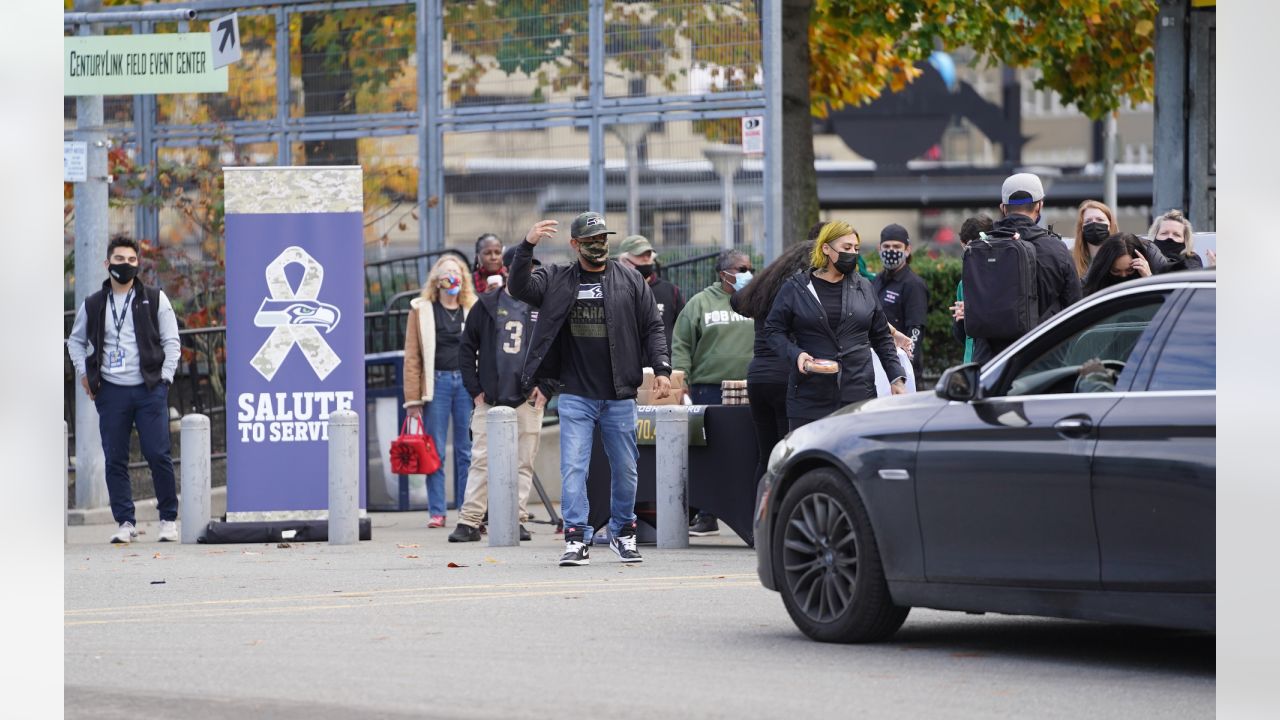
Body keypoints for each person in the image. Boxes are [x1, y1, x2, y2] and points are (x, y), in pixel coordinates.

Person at [509, 212, 672, 567]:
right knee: (573, 468)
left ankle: (623, 533)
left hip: (620, 394)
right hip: (575, 393)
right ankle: (576, 539)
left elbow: (653, 328)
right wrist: (527, 245)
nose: (598, 245)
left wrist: (661, 369)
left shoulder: (629, 279)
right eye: (590, 241)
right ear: (574, 245)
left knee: (626, 468)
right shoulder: (556, 278)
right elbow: (519, 288)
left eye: (602, 239)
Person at [66, 236, 182, 544]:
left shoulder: (155, 298)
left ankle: (168, 519)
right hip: (112, 392)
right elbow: (75, 342)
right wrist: (85, 373)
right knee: (115, 458)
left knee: (158, 454)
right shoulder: (93, 304)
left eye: (131, 260)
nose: (125, 265)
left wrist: (165, 380)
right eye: (119, 260)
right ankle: (125, 522)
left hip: (149, 389)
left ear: (138, 264)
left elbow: (172, 342)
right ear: (107, 264)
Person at [451, 246, 557, 543]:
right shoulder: (485, 305)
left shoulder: (544, 308)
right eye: (525, 267)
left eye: (536, 268)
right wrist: (474, 389)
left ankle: (517, 518)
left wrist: (546, 387)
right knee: (481, 459)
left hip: (528, 398)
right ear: (507, 270)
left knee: (523, 462)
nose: (531, 273)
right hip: (491, 398)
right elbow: (466, 348)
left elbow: (557, 349)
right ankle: (469, 520)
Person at [763, 221, 907, 431]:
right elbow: (773, 330)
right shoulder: (796, 288)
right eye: (846, 248)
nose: (852, 253)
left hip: (858, 394)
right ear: (826, 248)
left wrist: (896, 378)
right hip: (809, 396)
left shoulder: (864, 287)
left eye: (856, 249)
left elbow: (881, 337)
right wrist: (795, 354)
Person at [672, 248, 756, 537]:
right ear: (724, 274)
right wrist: (680, 379)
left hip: (751, 388)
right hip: (708, 389)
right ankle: (707, 516)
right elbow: (681, 343)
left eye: (750, 268)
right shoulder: (700, 303)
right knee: (710, 456)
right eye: (742, 269)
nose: (749, 274)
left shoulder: (757, 301)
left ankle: (749, 512)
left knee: (748, 452)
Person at [969, 173, 1083, 364]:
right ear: (1039, 206)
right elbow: (1074, 308)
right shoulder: (1057, 249)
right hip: (1042, 359)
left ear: (1003, 208)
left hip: (990, 363)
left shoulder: (981, 248)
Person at [403, 254, 477, 528]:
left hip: (466, 385)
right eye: (445, 273)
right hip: (437, 384)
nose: (450, 277)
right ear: (436, 279)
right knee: (434, 449)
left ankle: (467, 510)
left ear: (463, 277)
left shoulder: (472, 308)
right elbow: (412, 356)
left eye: (455, 272)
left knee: (466, 450)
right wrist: (413, 399)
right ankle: (437, 511)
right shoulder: (422, 310)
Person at [731, 240, 812, 487]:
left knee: (765, 458)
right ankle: (776, 522)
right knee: (785, 458)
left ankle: (754, 521)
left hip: (758, 377)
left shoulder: (767, 286)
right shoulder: (799, 289)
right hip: (785, 378)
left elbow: (737, 302)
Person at [872, 223, 929, 386]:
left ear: (907, 249)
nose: (891, 250)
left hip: (902, 372)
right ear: (879, 248)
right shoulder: (874, 282)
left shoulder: (914, 284)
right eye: (887, 246)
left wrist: (906, 365)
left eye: (897, 246)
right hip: (878, 368)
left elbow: (915, 330)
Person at [616, 234, 684, 357]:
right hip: (625, 365)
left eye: (648, 254)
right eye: (639, 255)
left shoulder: (670, 291)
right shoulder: (613, 290)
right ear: (623, 260)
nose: (646, 259)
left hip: (662, 366)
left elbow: (684, 331)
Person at [949, 214, 994, 364]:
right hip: (971, 362)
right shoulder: (964, 283)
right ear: (963, 245)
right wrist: (960, 320)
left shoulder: (1002, 277)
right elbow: (961, 335)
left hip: (994, 361)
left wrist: (973, 313)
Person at [1081, 233, 1153, 296]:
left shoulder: (1148, 276)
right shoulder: (1094, 288)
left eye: (1130, 270)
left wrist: (1148, 279)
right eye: (1116, 271)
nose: (1123, 275)